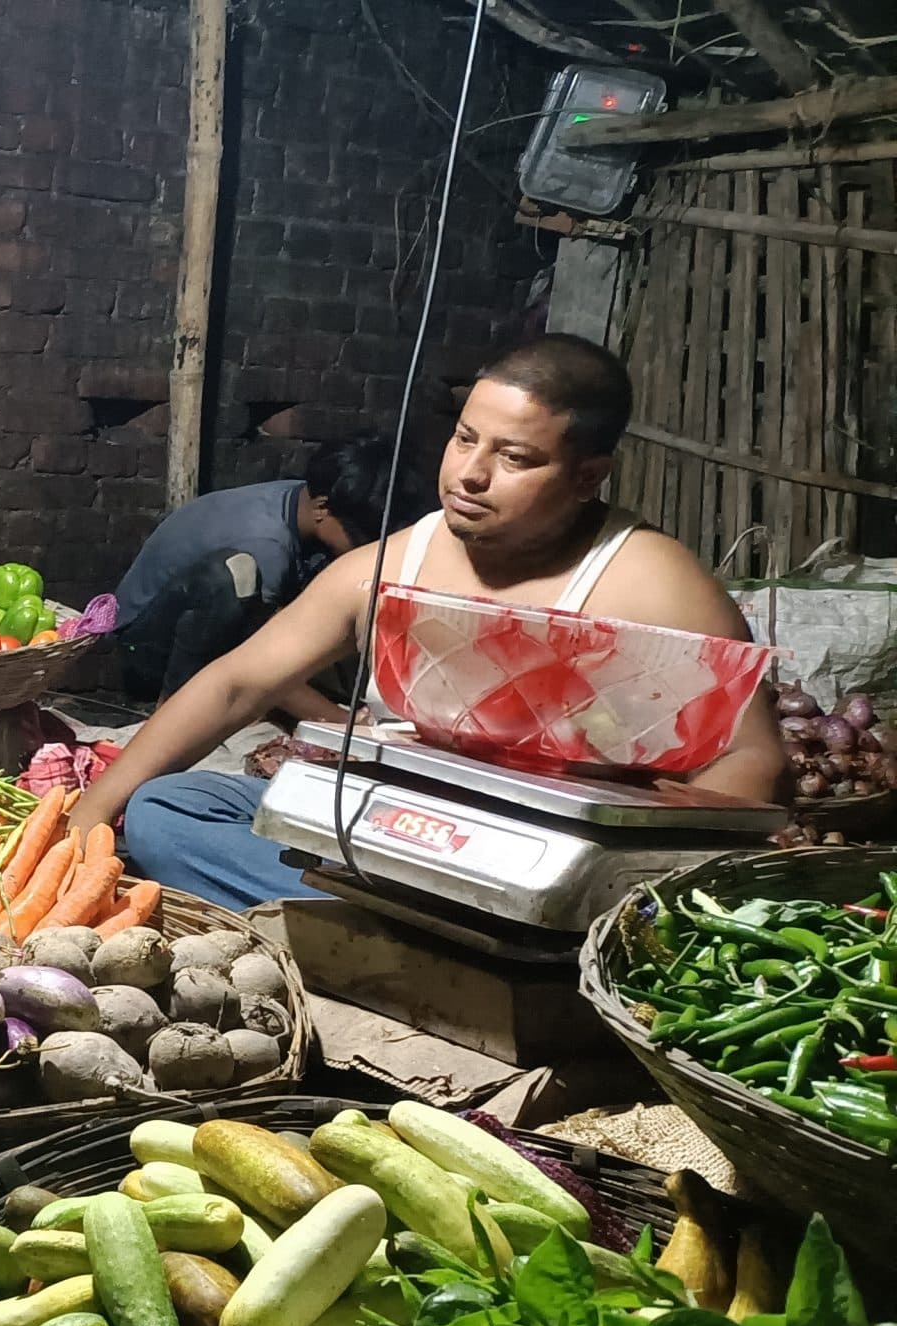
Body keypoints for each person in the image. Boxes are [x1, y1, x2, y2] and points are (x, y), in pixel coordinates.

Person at [67, 335, 786, 910]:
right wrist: (85, 822)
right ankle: (406, 922)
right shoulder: (392, 565)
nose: (471, 474)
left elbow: (754, 757)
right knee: (170, 809)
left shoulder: (650, 579)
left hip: (546, 858)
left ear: (588, 476)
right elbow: (235, 685)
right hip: (399, 832)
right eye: (466, 438)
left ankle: (413, 923)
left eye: (515, 457)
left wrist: (648, 845)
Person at [113, 432, 432, 716]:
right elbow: (264, 664)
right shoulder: (265, 542)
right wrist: (342, 723)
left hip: (210, 628)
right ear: (323, 508)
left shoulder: (303, 499)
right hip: (145, 650)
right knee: (231, 579)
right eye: (361, 536)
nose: (367, 547)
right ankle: (169, 712)